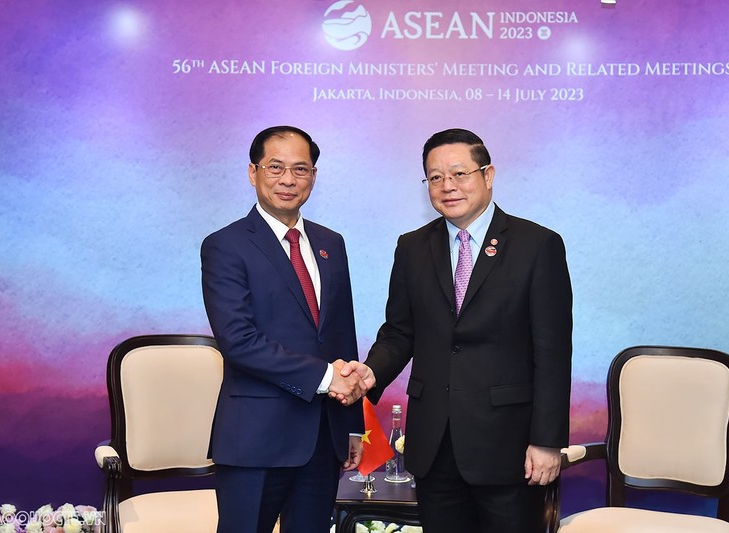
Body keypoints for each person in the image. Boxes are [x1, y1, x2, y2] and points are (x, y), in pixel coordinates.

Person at [336, 128, 573, 532]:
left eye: (459, 174)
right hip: (434, 444)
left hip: (509, 445)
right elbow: (399, 332)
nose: (448, 186)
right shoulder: (411, 247)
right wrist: (371, 372)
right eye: (435, 177)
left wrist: (547, 440)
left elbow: (551, 350)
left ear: (488, 174)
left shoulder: (537, 245)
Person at [201, 125, 367, 533]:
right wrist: (328, 378)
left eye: (301, 169)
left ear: (314, 175)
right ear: (252, 172)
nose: (288, 180)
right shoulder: (226, 245)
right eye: (275, 167)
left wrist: (352, 428)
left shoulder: (332, 242)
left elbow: (341, 336)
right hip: (255, 441)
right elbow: (238, 341)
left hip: (322, 441)